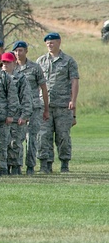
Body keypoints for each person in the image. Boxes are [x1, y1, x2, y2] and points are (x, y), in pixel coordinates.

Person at [36, 32, 80, 174]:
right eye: (48, 43)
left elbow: (74, 81)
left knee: (63, 136)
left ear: (59, 42)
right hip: (44, 106)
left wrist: (73, 101)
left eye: (52, 42)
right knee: (43, 136)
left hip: (62, 105)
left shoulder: (68, 61)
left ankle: (64, 164)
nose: (50, 44)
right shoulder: (40, 61)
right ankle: (45, 164)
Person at [12, 41, 49, 175]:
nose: (18, 53)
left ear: (26, 51)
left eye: (21, 50)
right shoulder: (11, 67)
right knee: (17, 138)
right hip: (18, 108)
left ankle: (30, 166)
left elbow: (44, 88)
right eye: (16, 51)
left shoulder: (35, 67)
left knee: (32, 138)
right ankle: (16, 165)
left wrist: (46, 109)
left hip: (34, 107)